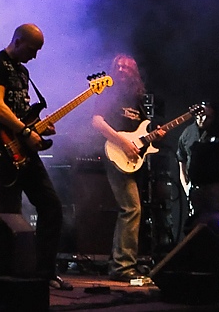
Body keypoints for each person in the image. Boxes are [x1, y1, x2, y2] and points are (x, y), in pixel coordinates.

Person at [0, 23, 72, 291]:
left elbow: (21, 111)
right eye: (33, 49)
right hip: (6, 148)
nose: (34, 56)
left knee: (51, 206)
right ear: (18, 41)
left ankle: (44, 273)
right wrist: (24, 130)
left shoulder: (23, 72)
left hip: (26, 148)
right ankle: (4, 274)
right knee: (10, 213)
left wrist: (38, 125)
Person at [92, 54, 152, 283]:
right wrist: (123, 142)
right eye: (117, 66)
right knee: (131, 208)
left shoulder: (136, 98)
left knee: (131, 208)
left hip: (130, 158)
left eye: (126, 67)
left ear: (134, 71)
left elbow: (141, 131)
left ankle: (121, 264)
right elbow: (97, 121)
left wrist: (154, 136)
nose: (121, 69)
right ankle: (122, 266)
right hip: (115, 153)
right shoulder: (107, 91)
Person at [176, 102, 219, 231]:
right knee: (197, 227)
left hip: (218, 189)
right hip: (196, 190)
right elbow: (181, 160)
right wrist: (186, 186)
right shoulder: (187, 134)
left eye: (208, 116)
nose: (204, 119)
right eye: (201, 116)